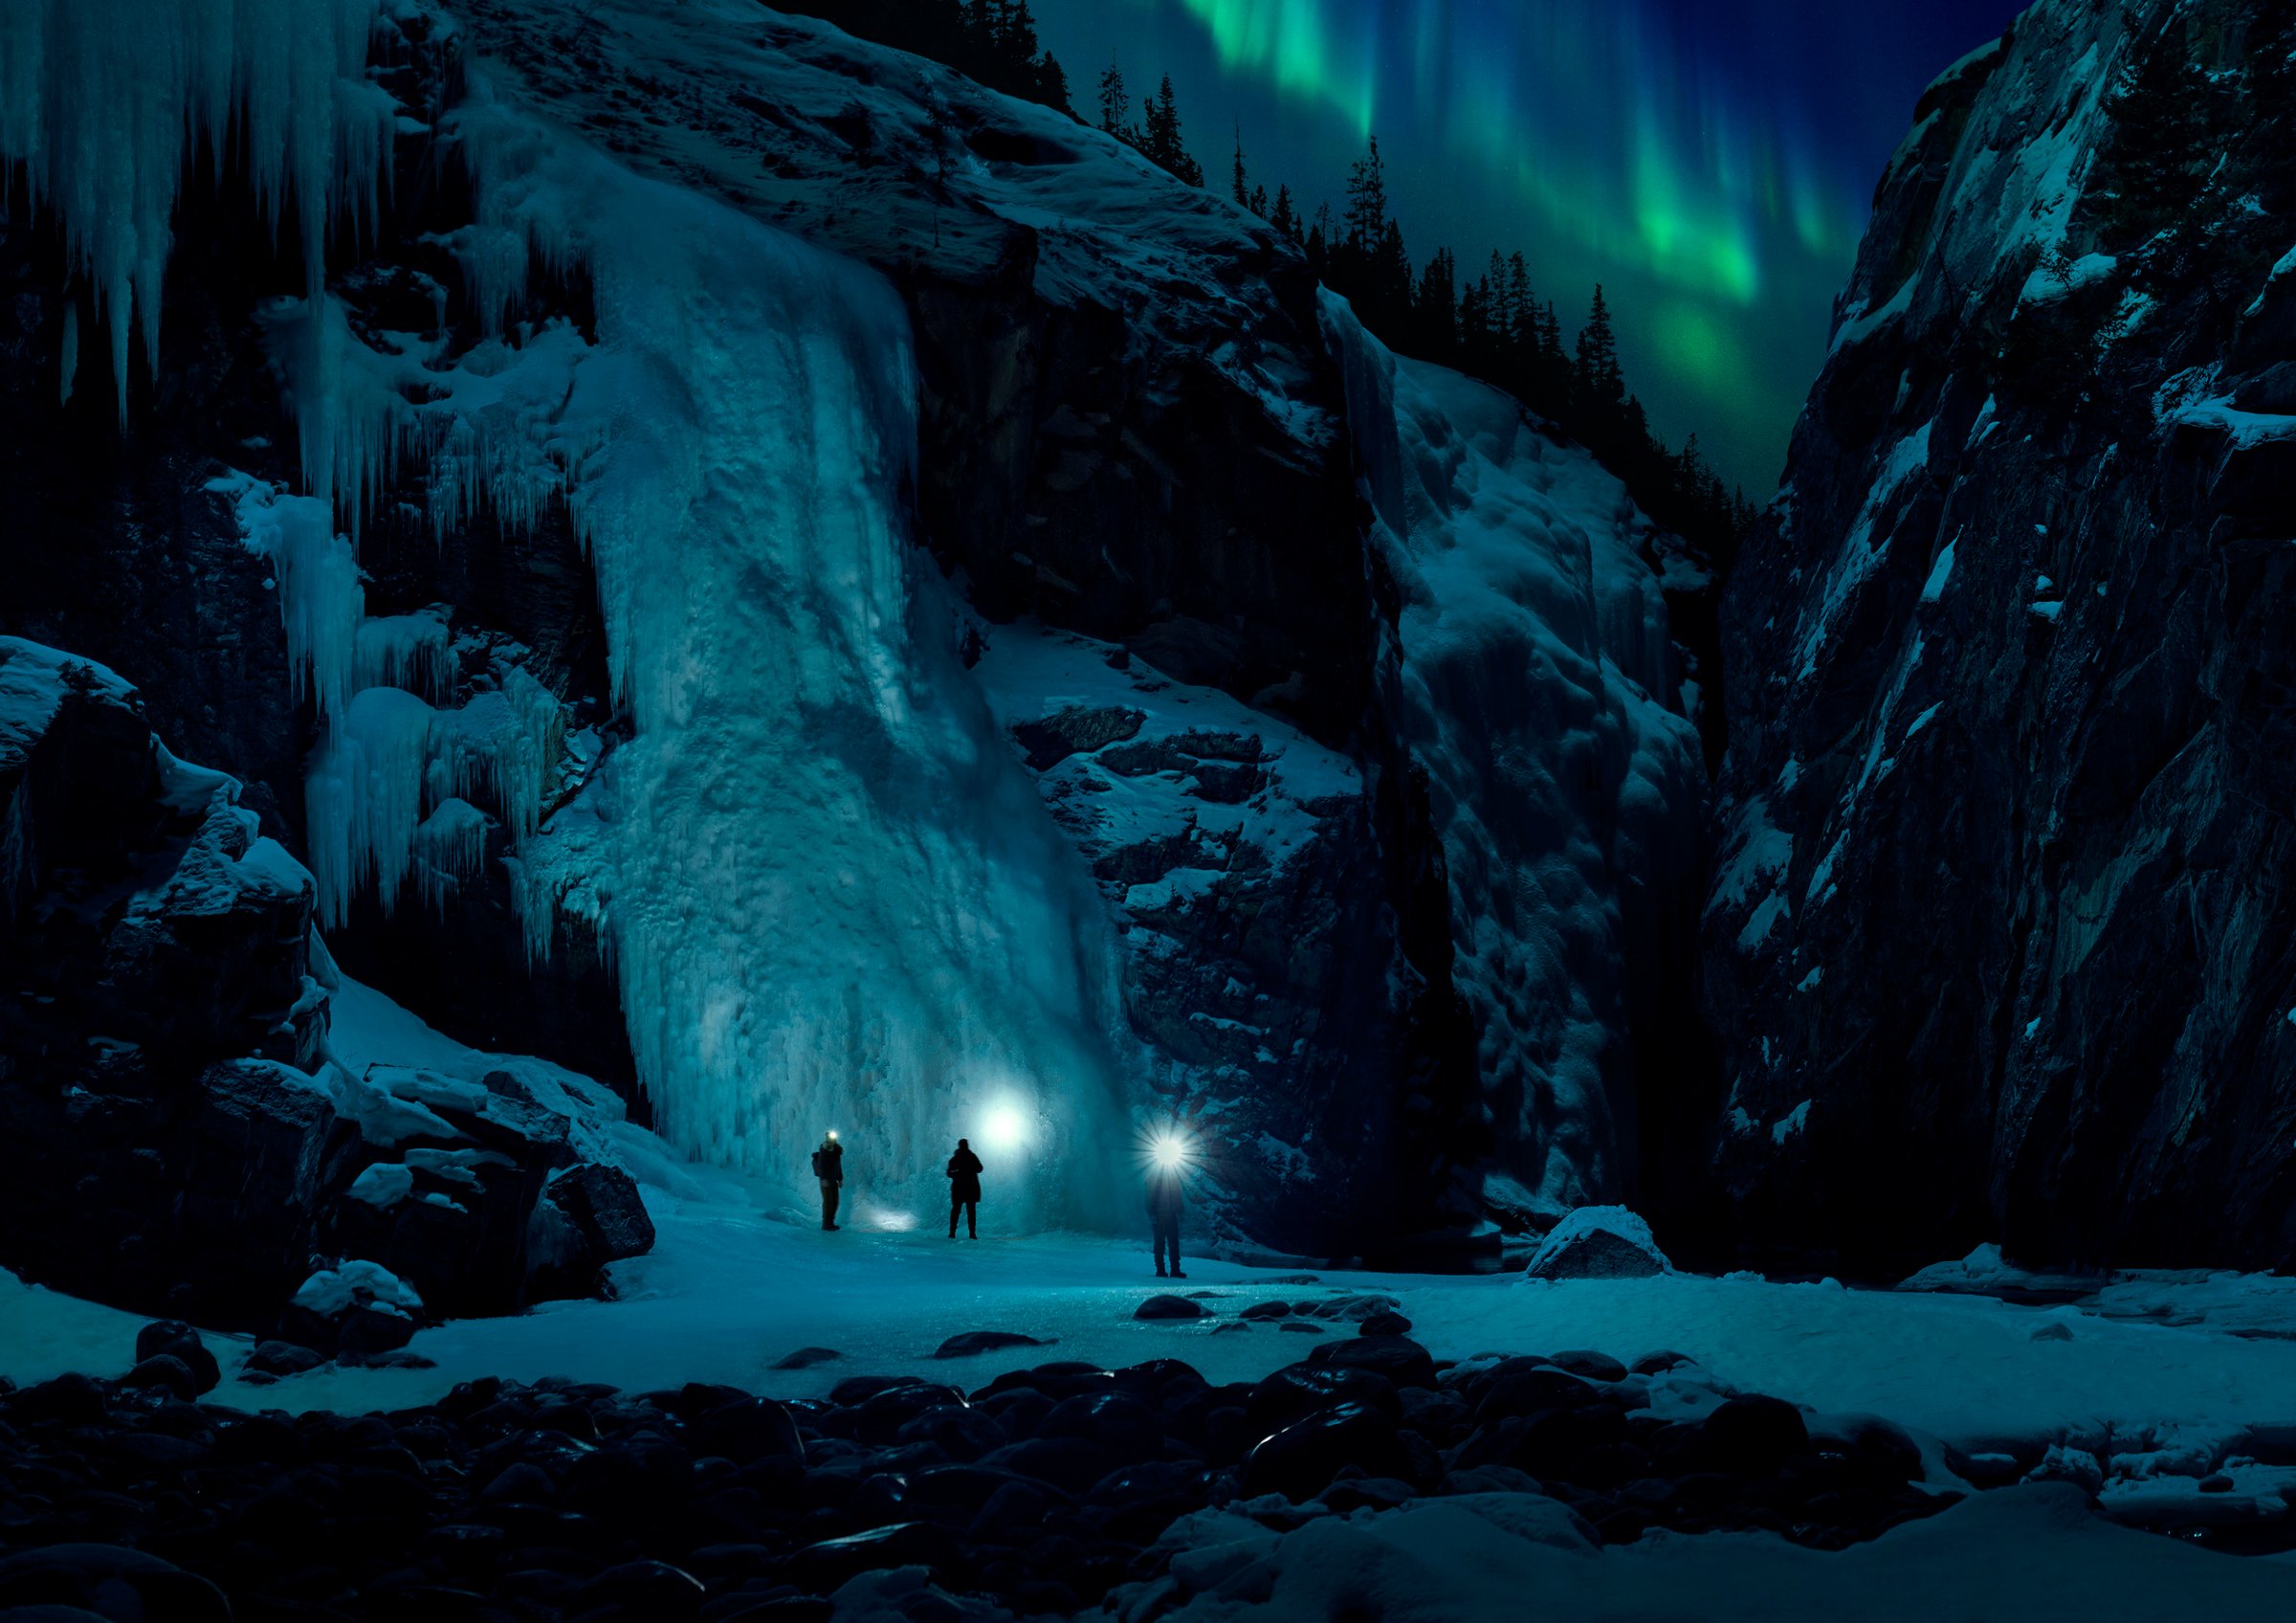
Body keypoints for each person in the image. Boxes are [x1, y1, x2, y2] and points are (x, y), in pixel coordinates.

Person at [1149, 1165, 1184, 1278]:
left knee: (1168, 1243)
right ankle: (1166, 1270)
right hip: (1163, 1214)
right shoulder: (1157, 1177)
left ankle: (1168, 1270)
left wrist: (1179, 1209)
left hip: (1167, 1214)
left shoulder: (1158, 1176)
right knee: (1164, 1243)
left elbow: (1177, 1193)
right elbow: (1150, 1196)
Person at [946, 1138, 983, 1239]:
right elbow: (980, 1168)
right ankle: (972, 1233)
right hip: (970, 1188)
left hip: (958, 1188)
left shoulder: (955, 1159)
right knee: (971, 1211)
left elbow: (949, 1173)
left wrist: (957, 1172)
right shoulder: (972, 1157)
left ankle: (952, 1232)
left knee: (956, 1211)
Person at [811, 1132, 844, 1231]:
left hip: (833, 1179)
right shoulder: (824, 1150)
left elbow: (838, 1165)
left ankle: (831, 1222)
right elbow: (822, 1165)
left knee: (835, 1202)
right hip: (826, 1181)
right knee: (828, 1202)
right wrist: (824, 1179)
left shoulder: (836, 1150)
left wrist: (840, 1179)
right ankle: (826, 1224)